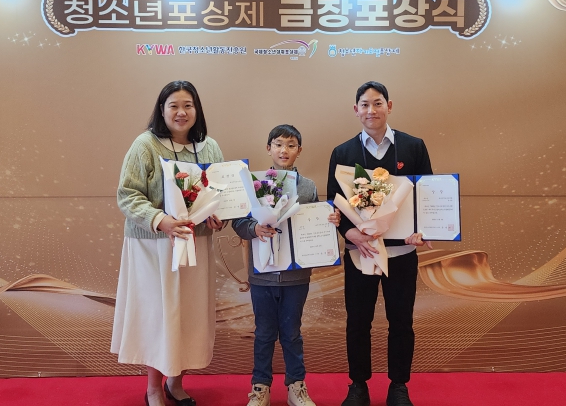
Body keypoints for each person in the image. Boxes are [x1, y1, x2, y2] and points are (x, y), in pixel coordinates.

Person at [111, 80, 226, 406]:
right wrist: (160, 220)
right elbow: (127, 195)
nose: (181, 112)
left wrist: (219, 217)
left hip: (195, 245)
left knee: (189, 315)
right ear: (162, 110)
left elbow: (222, 195)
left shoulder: (210, 148)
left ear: (197, 110)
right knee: (159, 316)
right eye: (173, 105)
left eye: (188, 105)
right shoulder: (145, 145)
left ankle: (176, 382)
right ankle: (153, 388)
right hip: (154, 247)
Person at [326, 82, 433, 406]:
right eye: (364, 104)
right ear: (355, 109)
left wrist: (421, 231)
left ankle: (398, 386)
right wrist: (349, 233)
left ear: (389, 105)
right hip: (361, 253)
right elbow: (334, 203)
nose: (371, 110)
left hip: (402, 252)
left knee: (401, 321)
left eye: (377, 103)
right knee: (358, 322)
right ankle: (358, 385)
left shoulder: (413, 147)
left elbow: (426, 195)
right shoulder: (343, 153)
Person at [232, 124, 340, 406]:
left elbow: (315, 221)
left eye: (291, 145)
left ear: (299, 151)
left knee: (292, 333)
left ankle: (296, 386)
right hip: (262, 275)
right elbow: (239, 222)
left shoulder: (308, 187)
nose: (284, 150)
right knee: (264, 333)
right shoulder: (254, 183)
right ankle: (260, 388)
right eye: (278, 144)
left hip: (296, 276)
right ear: (268, 148)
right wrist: (254, 228)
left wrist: (330, 220)